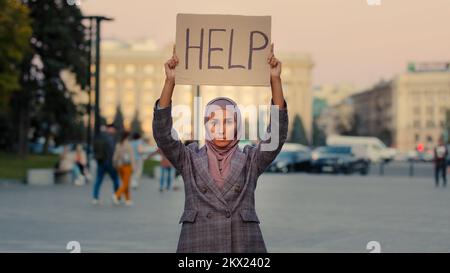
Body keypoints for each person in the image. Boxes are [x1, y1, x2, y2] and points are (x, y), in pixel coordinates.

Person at [152, 44, 288, 252]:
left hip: (241, 244)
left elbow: (275, 137)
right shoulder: (189, 159)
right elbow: (163, 135)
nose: (221, 128)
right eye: (214, 121)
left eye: (228, 121)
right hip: (199, 243)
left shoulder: (251, 159)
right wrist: (170, 81)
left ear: (238, 125)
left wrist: (275, 80)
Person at [92, 124, 120, 205]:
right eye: (114, 129)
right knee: (115, 179)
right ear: (110, 129)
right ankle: (116, 196)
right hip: (109, 162)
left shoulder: (99, 136)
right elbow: (112, 151)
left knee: (98, 180)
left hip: (100, 161)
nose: (115, 131)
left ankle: (95, 197)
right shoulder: (110, 138)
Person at [112, 131, 136, 206]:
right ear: (127, 136)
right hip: (127, 166)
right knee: (126, 183)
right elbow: (132, 157)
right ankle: (116, 195)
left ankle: (128, 200)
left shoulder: (118, 144)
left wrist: (114, 164)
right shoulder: (128, 145)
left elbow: (115, 156)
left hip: (119, 166)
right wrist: (133, 166)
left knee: (125, 183)